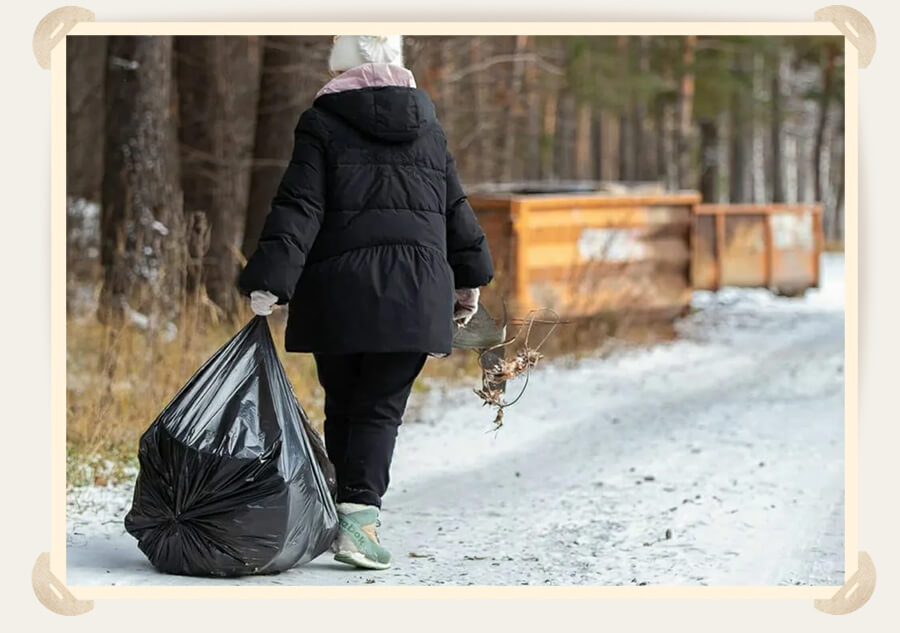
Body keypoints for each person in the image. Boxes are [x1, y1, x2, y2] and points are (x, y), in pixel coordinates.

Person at [238, 35, 494, 570]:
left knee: (346, 402)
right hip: (415, 293)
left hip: (338, 294)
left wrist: (271, 281)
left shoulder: (323, 122)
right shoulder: (428, 127)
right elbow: (455, 210)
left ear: (341, 68)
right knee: (379, 409)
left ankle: (345, 513)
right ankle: (358, 519)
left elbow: (298, 207)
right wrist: (470, 281)